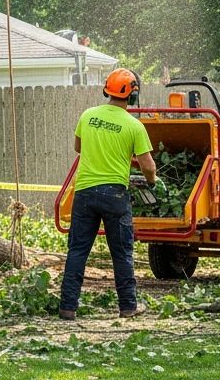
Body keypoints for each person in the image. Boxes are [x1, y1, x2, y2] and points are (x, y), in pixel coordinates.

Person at [58, 68, 156, 321]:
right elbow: (148, 166)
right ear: (133, 95)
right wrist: (152, 183)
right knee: (121, 253)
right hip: (115, 196)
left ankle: (68, 307)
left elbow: (79, 147)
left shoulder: (88, 115)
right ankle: (128, 307)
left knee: (77, 251)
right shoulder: (134, 126)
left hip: (84, 193)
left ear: (106, 91)